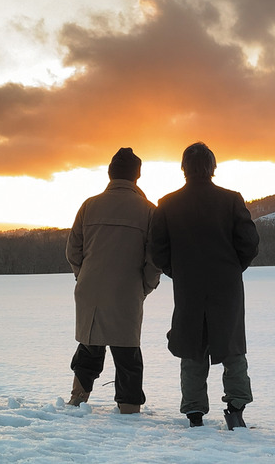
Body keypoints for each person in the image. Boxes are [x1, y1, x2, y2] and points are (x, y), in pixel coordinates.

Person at [150, 142, 260, 430]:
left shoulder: (167, 204)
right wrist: (233, 268)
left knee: (192, 348)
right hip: (227, 287)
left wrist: (178, 272)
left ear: (183, 168)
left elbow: (157, 250)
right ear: (212, 167)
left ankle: (194, 413)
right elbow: (250, 243)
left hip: (189, 287)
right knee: (232, 347)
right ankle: (236, 409)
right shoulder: (231, 200)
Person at [65, 147, 162, 414]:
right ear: (136, 176)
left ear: (110, 173)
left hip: (90, 291)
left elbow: (73, 251)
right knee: (128, 354)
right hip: (127, 292)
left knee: (89, 347)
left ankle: (77, 399)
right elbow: (154, 259)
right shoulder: (148, 211)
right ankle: (129, 410)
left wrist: (83, 276)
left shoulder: (89, 206)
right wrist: (144, 287)